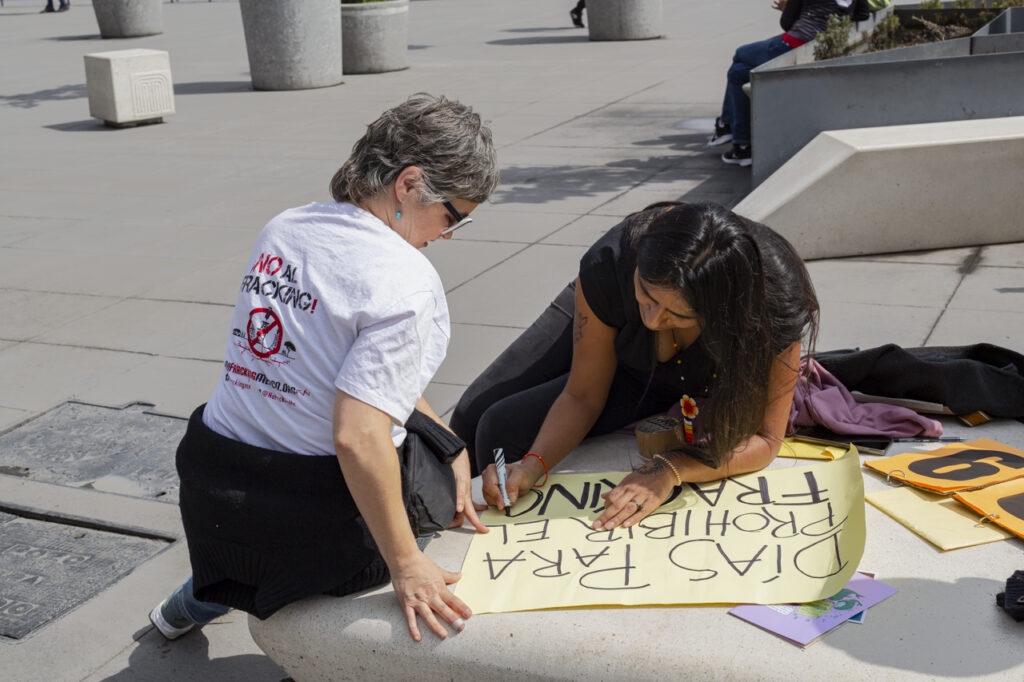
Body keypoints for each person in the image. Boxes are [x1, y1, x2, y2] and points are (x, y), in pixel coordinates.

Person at [149, 93, 498, 644]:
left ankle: (186, 604)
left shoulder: (287, 226)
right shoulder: (406, 278)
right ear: (408, 184)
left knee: (436, 447)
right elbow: (358, 438)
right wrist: (408, 565)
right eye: (452, 216)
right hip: (301, 522)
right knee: (438, 507)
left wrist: (445, 439)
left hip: (212, 491)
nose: (447, 235)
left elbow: (328, 369)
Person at [451, 201, 818, 530]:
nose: (653, 320)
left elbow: (767, 439)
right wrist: (533, 466)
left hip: (683, 369)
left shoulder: (774, 303)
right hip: (609, 315)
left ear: (722, 313)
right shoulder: (615, 261)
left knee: (501, 425)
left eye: (676, 313)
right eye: (647, 294)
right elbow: (582, 394)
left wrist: (671, 469)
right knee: (472, 416)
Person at [709, 0, 853, 167]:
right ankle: (735, 136)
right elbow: (861, 14)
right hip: (829, 43)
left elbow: (787, 23)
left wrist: (786, 8)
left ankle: (733, 133)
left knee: (741, 54)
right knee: (738, 72)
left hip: (797, 45)